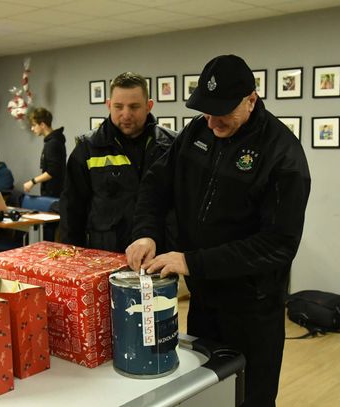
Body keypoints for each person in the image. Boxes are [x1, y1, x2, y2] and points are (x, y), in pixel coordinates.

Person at [126, 55, 311, 407]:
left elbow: (277, 244)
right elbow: (155, 185)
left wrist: (193, 261)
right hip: (204, 300)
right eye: (206, 111)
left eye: (221, 112)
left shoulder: (282, 154)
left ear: (251, 100)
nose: (211, 122)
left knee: (249, 398)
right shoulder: (197, 132)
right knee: (206, 393)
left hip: (252, 309)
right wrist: (146, 233)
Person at [62, 72, 176, 252]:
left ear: (149, 106)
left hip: (159, 254)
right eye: (118, 107)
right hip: (104, 254)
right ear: (108, 105)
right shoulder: (88, 148)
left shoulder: (172, 145)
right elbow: (72, 210)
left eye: (134, 107)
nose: (126, 114)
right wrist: (71, 255)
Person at [24, 107, 67, 198]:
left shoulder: (53, 143)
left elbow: (52, 171)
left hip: (54, 193)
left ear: (42, 125)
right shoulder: (53, 141)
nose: (32, 129)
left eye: (34, 125)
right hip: (54, 191)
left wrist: (32, 182)